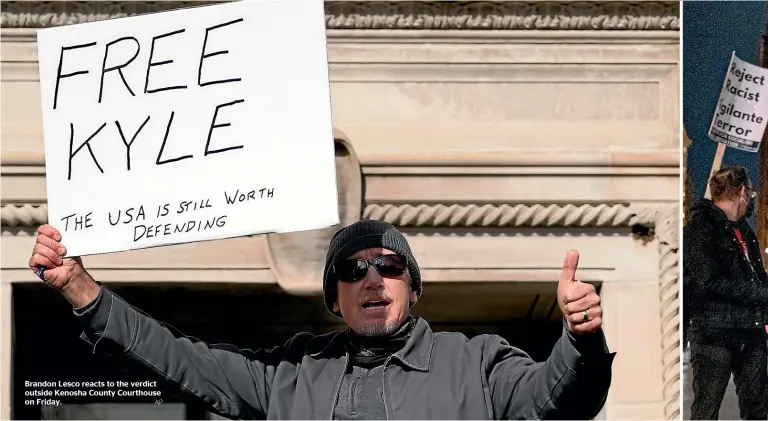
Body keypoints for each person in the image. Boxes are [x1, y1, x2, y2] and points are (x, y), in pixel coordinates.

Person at [29, 219, 614, 420]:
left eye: (388, 265)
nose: (371, 279)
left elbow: (557, 400)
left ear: (412, 286)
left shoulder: (478, 363)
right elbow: (182, 360)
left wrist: (580, 338)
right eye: (352, 270)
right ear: (336, 296)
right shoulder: (290, 374)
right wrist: (82, 288)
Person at [684, 165, 768, 420]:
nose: (751, 202)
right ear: (742, 191)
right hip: (714, 335)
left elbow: (757, 275)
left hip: (750, 332)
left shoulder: (745, 231)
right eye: (751, 195)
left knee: (759, 410)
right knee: (706, 410)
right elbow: (708, 282)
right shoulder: (700, 228)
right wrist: (761, 293)